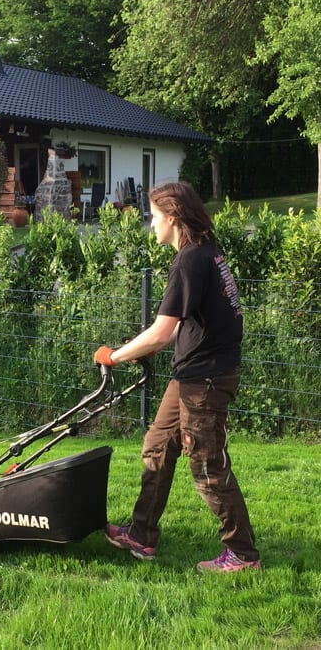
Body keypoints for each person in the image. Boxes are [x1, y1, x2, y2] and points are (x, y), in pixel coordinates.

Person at [93, 181, 260, 572]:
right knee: (158, 446)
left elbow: (163, 330)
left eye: (153, 217)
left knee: (206, 466)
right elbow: (189, 325)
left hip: (205, 381)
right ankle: (141, 534)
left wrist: (115, 356)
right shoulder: (206, 253)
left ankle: (243, 554)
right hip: (192, 375)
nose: (151, 225)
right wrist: (141, 350)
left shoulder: (191, 259)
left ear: (172, 217)